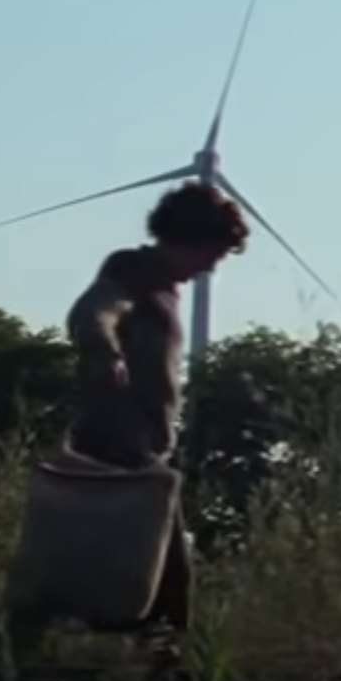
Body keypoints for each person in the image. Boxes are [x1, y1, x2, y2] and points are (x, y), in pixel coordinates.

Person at [62, 181, 250, 648]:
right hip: (116, 447)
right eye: (214, 254)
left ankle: (137, 665)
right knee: (160, 580)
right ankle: (154, 675)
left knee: (148, 579)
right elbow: (95, 310)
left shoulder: (163, 287)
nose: (211, 267)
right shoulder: (135, 270)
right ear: (193, 239)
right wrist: (104, 347)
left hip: (142, 449)